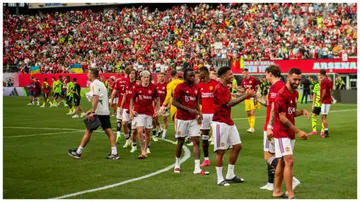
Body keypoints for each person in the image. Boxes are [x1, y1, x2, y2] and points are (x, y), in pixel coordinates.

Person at [255, 65, 300, 191]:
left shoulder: (278, 87)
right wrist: (256, 98)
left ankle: (291, 179)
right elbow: (270, 105)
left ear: (270, 74)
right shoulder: (277, 87)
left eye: (266, 74)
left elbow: (276, 109)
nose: (265, 77)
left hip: (276, 128)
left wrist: (269, 126)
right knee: (275, 156)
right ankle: (271, 183)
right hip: (277, 128)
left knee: (269, 156)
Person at [212, 66, 255, 186]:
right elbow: (228, 103)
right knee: (221, 151)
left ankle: (230, 174)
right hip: (220, 122)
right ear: (224, 76)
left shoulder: (225, 87)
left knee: (237, 146)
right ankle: (220, 178)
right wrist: (245, 96)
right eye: (230, 74)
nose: (232, 76)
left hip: (227, 121)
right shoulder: (219, 88)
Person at [271, 68, 310, 199]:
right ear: (288, 77)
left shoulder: (295, 94)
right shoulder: (281, 94)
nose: (297, 82)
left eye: (299, 79)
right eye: (295, 79)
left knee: (282, 161)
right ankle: (290, 194)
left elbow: (291, 113)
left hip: (289, 133)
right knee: (289, 161)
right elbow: (282, 117)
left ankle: (276, 190)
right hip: (281, 132)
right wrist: (298, 131)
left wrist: (302, 111)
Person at [68, 68, 119, 160]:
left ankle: (78, 152)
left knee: (88, 131)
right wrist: (91, 109)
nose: (87, 75)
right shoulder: (101, 83)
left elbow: (96, 97)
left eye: (88, 73)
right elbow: (101, 99)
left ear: (92, 75)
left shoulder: (94, 84)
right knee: (109, 132)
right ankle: (114, 153)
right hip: (104, 112)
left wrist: (93, 112)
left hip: (98, 113)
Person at [172, 68, 208, 175]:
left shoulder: (197, 88)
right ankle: (177, 164)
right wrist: (188, 109)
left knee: (196, 141)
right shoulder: (180, 87)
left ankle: (197, 168)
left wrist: (199, 113)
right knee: (180, 141)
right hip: (182, 118)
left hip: (193, 119)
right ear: (185, 77)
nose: (193, 77)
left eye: (193, 75)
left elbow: (197, 102)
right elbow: (174, 102)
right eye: (190, 75)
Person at [129, 70, 159, 159]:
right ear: (141, 78)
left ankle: (145, 150)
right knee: (139, 131)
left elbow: (157, 99)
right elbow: (132, 99)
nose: (146, 79)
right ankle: (142, 151)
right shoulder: (137, 88)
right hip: (139, 112)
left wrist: (157, 109)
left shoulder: (153, 87)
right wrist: (131, 110)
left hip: (149, 112)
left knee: (148, 132)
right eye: (144, 77)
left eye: (148, 77)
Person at [197, 66, 218, 167]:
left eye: (199, 73)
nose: (198, 75)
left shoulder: (215, 84)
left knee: (218, 136)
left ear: (204, 73)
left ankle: (219, 158)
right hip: (204, 114)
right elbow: (198, 101)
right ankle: (206, 160)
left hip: (214, 114)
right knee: (204, 136)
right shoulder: (199, 85)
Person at [110, 67, 130, 144]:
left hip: (120, 104)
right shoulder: (130, 81)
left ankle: (118, 133)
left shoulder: (118, 81)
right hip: (128, 105)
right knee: (127, 123)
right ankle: (129, 139)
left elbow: (114, 93)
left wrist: (111, 101)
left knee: (119, 120)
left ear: (124, 72)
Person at [119, 69, 137, 150]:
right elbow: (125, 95)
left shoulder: (137, 84)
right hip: (126, 106)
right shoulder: (126, 83)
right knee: (124, 123)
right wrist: (121, 106)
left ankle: (134, 144)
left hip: (135, 107)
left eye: (133, 73)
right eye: (130, 73)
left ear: (135, 75)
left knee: (134, 128)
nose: (131, 75)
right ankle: (127, 140)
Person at [240, 68, 260, 133]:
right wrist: (236, 88)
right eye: (243, 73)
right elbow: (243, 90)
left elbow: (258, 87)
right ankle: (251, 127)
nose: (244, 74)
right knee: (248, 113)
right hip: (247, 99)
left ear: (247, 72)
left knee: (252, 112)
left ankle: (252, 128)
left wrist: (258, 92)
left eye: (244, 73)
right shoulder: (243, 80)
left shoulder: (253, 79)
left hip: (253, 98)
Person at [319, 69, 332, 138]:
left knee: (323, 116)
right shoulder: (329, 80)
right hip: (329, 100)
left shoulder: (323, 81)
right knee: (323, 116)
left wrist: (321, 99)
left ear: (321, 74)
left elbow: (324, 91)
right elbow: (330, 90)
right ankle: (325, 130)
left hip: (325, 101)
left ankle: (326, 132)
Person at [155, 72, 168, 139]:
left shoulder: (167, 85)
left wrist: (167, 106)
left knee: (164, 119)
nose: (161, 77)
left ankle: (164, 134)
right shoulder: (156, 85)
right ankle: (160, 129)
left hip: (164, 105)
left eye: (162, 76)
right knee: (154, 119)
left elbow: (169, 96)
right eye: (159, 76)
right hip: (157, 106)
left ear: (164, 77)